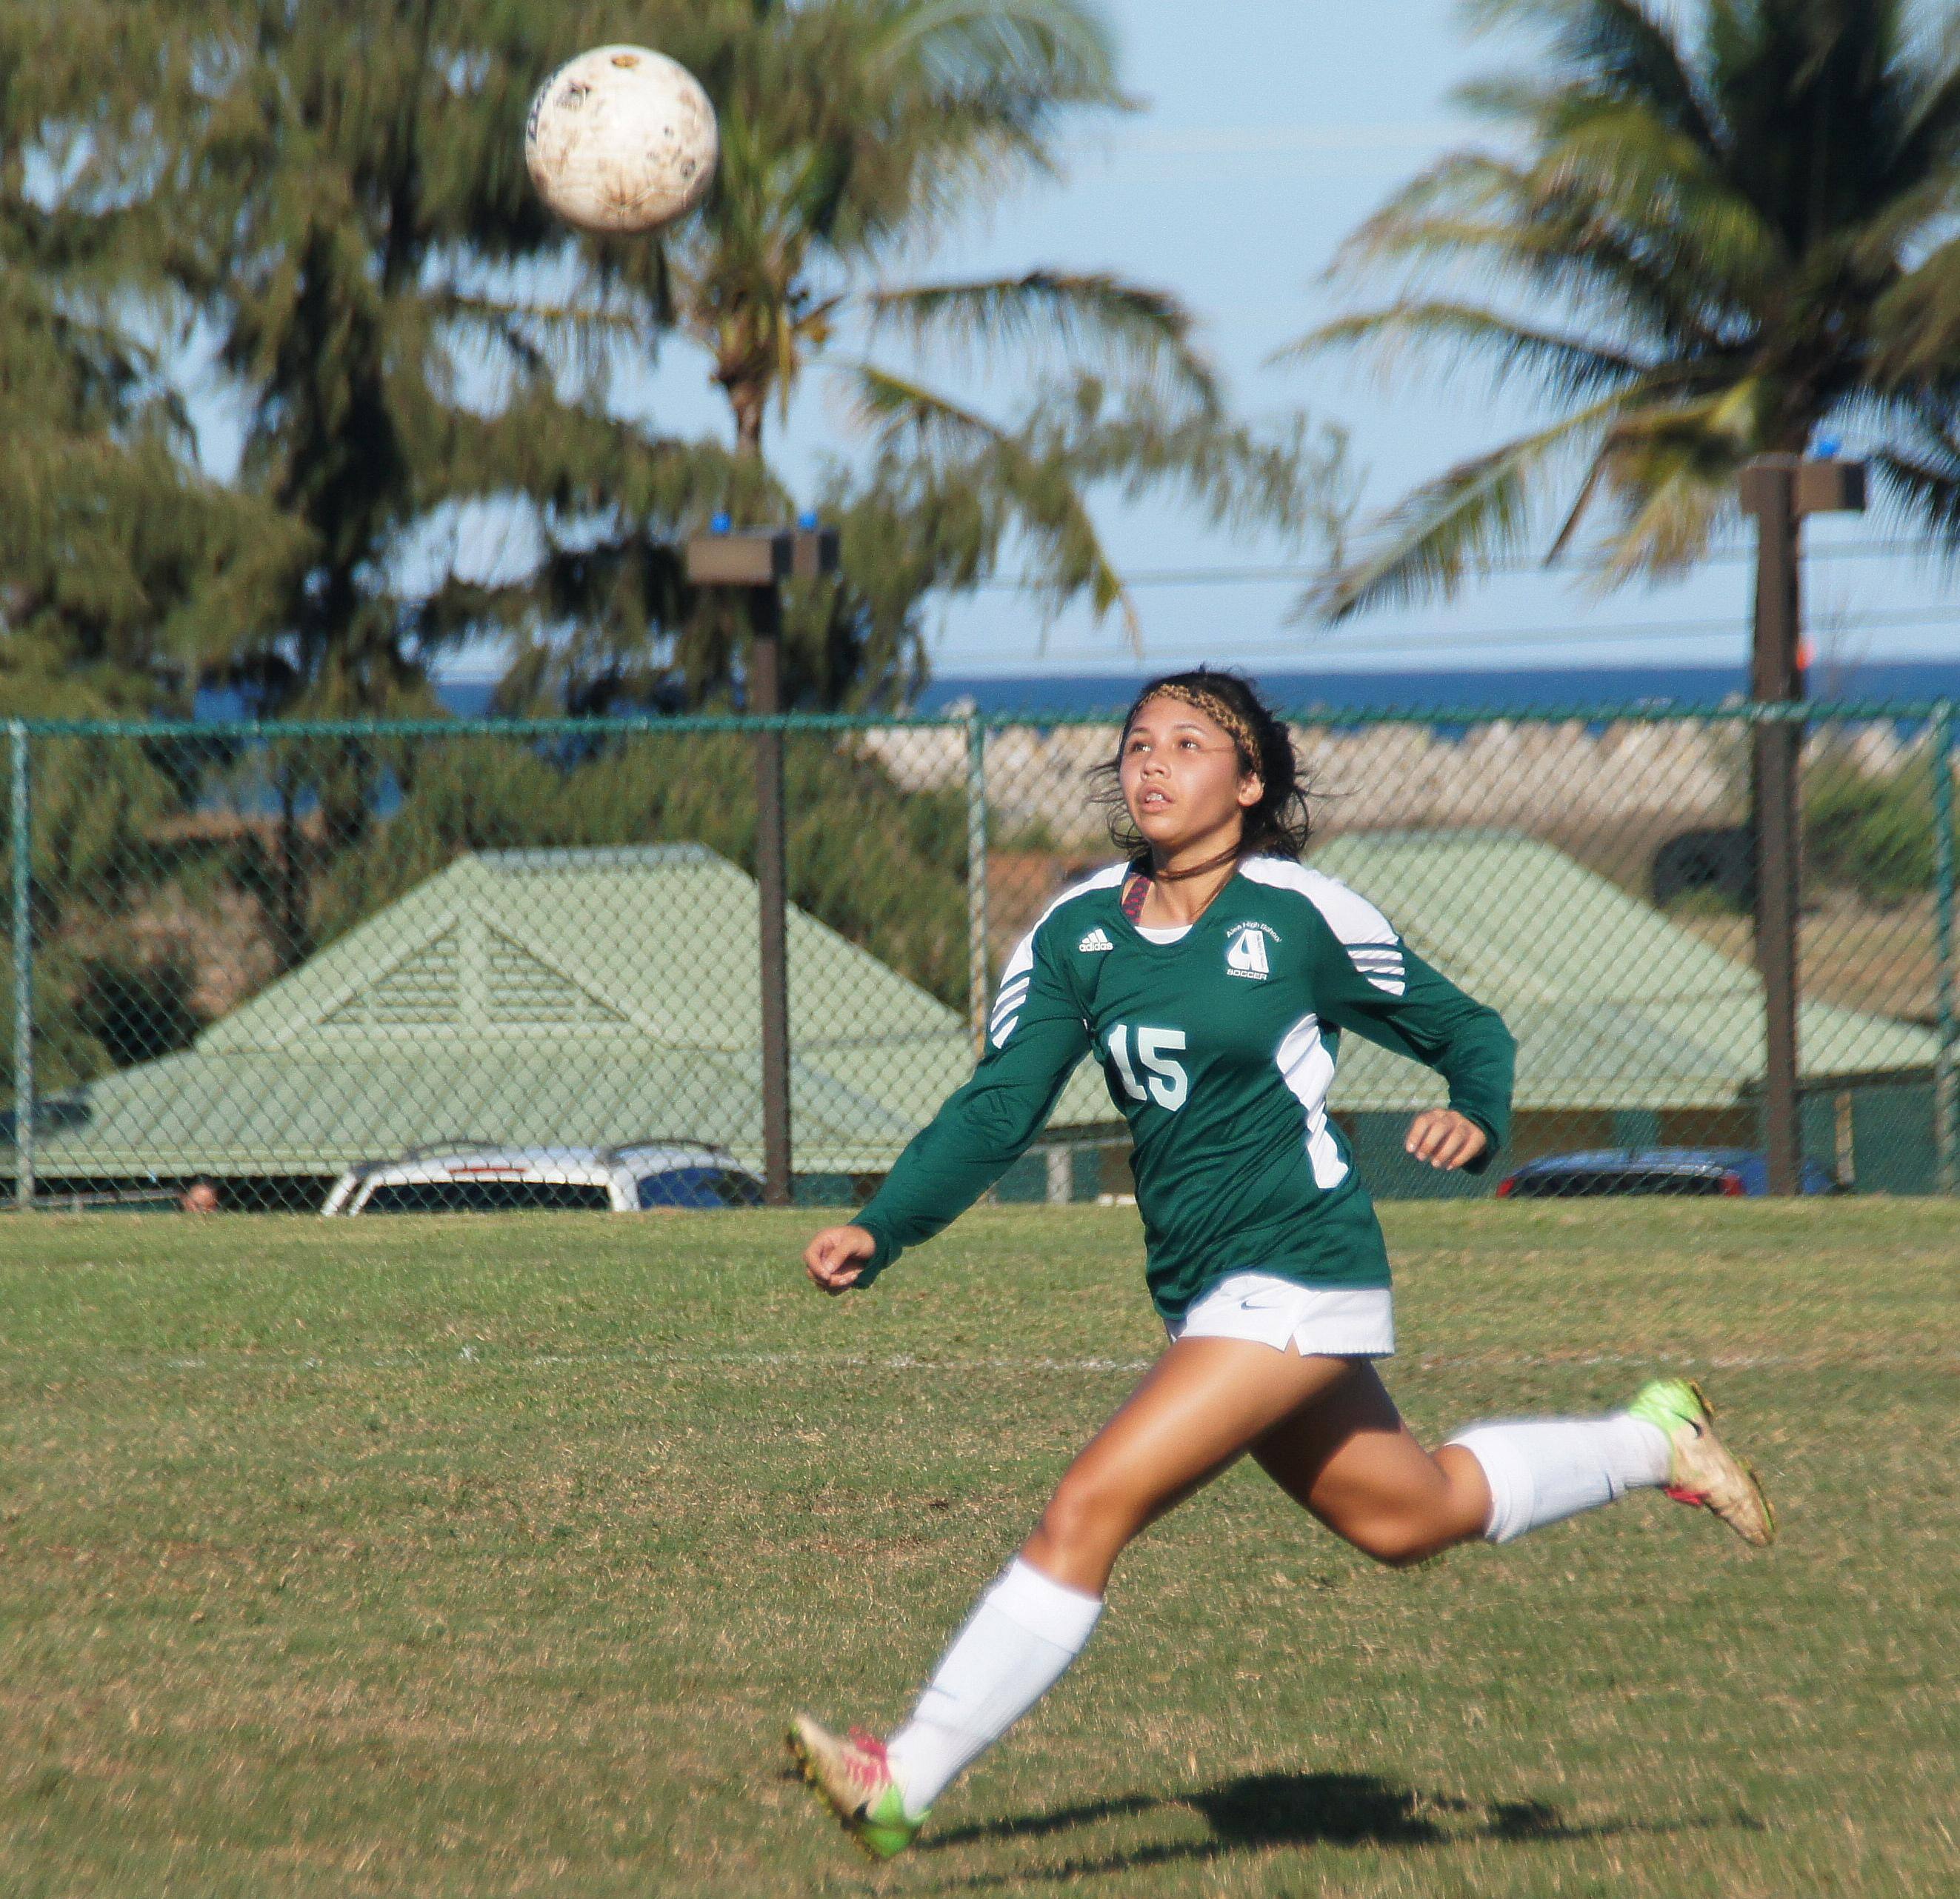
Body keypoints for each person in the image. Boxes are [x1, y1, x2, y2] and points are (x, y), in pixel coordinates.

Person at [787, 669, 1773, 1862]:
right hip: (1202, 1289)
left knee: (1089, 1506)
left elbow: (1467, 1030)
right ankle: (1654, 1442)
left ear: (1249, 783)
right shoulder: (1075, 931)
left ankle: (902, 1781)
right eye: (1137, 743)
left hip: (1299, 1264)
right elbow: (1000, 1106)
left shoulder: (1300, 914)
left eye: (1188, 744)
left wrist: (1475, 1110)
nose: (1153, 763)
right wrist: (884, 1223)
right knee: (1409, 1516)